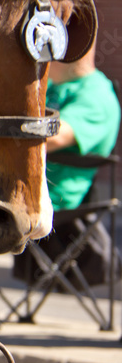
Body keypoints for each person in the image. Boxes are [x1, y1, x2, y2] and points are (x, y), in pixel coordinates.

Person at [13, 47, 121, 286]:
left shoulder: (97, 96)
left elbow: (53, 137)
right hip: (13, 187)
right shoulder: (50, 85)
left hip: (53, 202)